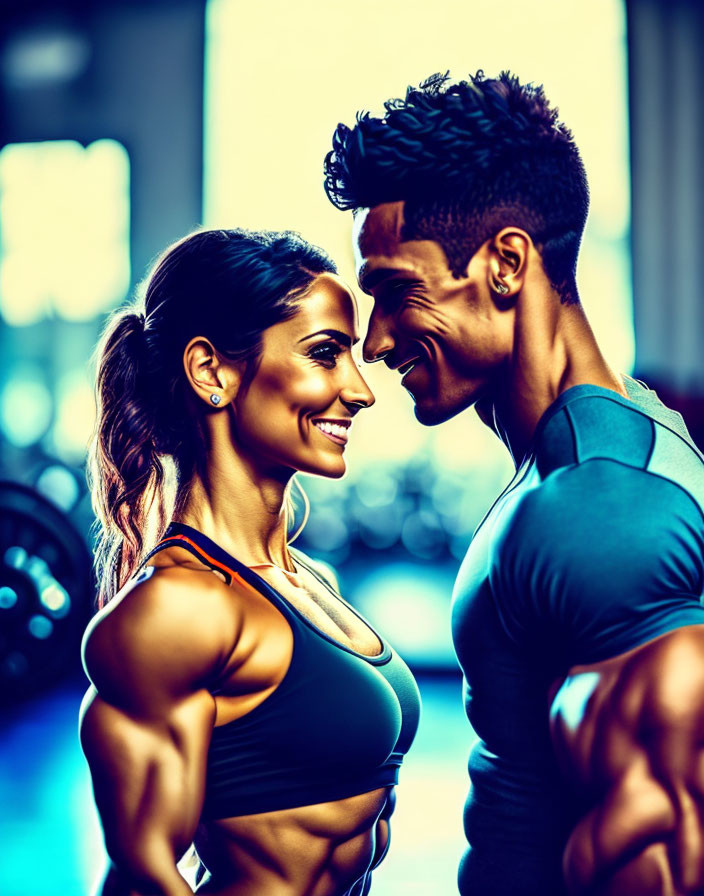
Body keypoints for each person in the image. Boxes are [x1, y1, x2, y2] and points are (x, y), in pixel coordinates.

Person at [323, 71, 704, 895]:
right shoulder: (605, 447)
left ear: (505, 263)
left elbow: (660, 851)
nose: (377, 343)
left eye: (396, 292)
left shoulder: (600, 510)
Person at [79, 228, 421, 896]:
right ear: (212, 372)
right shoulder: (180, 607)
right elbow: (143, 873)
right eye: (325, 355)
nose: (360, 391)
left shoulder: (305, 581)